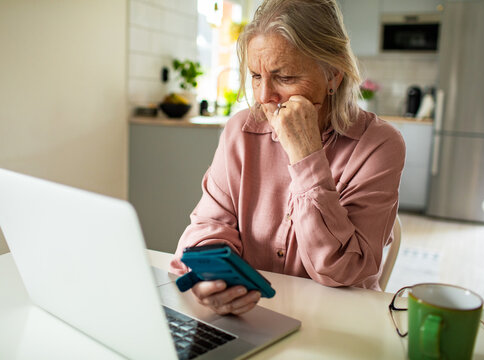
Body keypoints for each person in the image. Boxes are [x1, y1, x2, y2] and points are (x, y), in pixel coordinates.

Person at [170, 0, 405, 315]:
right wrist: (208, 279)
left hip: (338, 321)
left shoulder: (379, 145)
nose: (265, 96)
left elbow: (343, 270)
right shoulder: (241, 130)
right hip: (249, 315)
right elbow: (209, 224)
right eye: (256, 76)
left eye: (285, 78)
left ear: (333, 75)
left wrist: (306, 155)